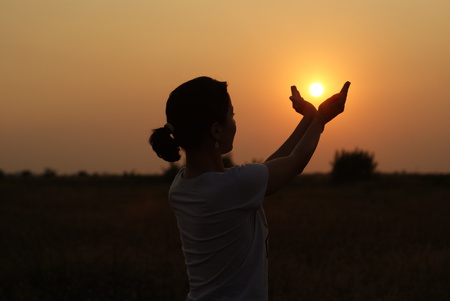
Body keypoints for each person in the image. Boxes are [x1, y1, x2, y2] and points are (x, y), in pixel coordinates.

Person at [150, 76, 350, 300]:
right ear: (216, 130)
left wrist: (310, 117)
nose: (234, 122)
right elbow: (295, 162)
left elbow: (270, 167)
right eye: (231, 115)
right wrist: (321, 118)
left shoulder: (180, 187)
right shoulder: (233, 186)